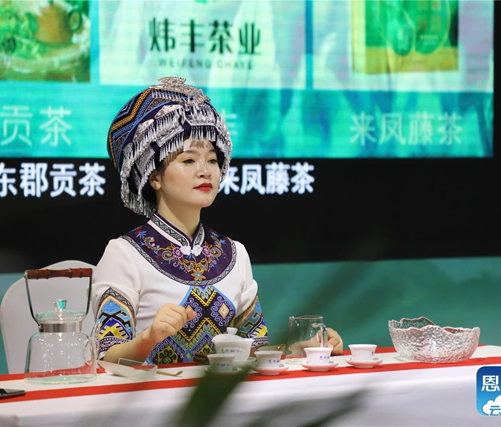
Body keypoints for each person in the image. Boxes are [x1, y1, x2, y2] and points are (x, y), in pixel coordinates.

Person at [92, 76, 342, 365]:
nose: (205, 171)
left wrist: (303, 348)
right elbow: (106, 356)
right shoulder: (125, 254)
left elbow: (255, 349)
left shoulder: (234, 254)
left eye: (212, 160)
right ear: (154, 176)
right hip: (152, 394)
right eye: (188, 160)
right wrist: (149, 338)